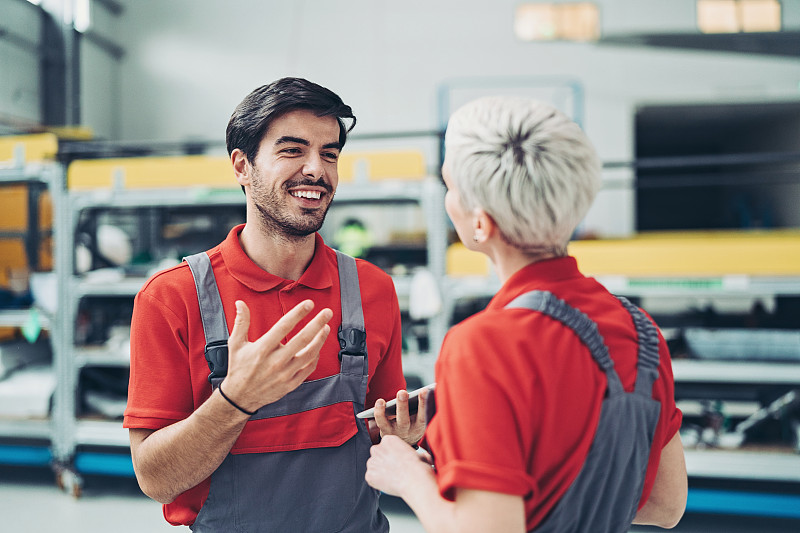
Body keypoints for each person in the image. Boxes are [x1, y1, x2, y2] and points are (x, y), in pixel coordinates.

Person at [365, 96, 688, 532]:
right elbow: (665, 506)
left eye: (450, 187)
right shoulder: (639, 329)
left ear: (480, 224)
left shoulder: (484, 344)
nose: (447, 201)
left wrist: (410, 476)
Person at [123, 77, 425, 532]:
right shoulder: (172, 297)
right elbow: (156, 479)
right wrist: (236, 400)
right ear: (242, 166)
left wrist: (401, 439)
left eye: (329, 153)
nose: (316, 170)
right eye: (292, 150)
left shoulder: (372, 289)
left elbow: (378, 432)